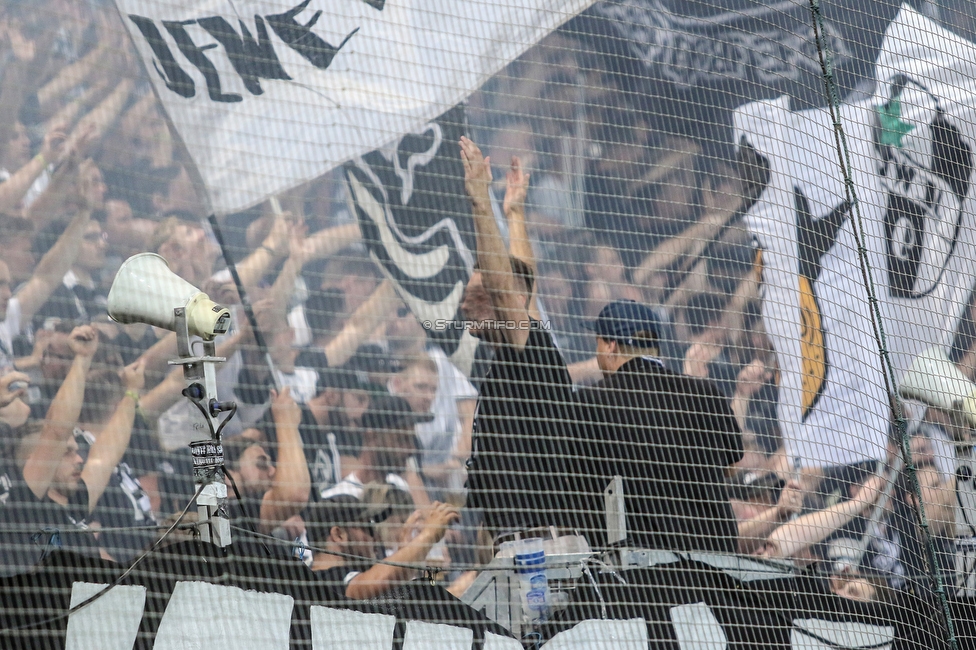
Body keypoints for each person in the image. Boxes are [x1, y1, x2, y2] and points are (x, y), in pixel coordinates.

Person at [458, 136, 591, 539]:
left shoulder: (528, 346)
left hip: (537, 545)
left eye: (477, 297)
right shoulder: (526, 345)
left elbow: (509, 284)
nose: (466, 305)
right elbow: (522, 279)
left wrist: (481, 199)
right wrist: (514, 213)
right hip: (519, 539)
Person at [578, 299, 743, 554]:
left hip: (648, 576)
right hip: (717, 564)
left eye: (598, 342)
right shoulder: (703, 392)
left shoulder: (590, 403)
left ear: (610, 346)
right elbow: (731, 466)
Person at [306, 488, 459, 600]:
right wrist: (428, 535)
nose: (375, 538)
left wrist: (405, 557)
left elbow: (397, 598)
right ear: (339, 535)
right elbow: (376, 581)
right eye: (368, 529)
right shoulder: (323, 580)